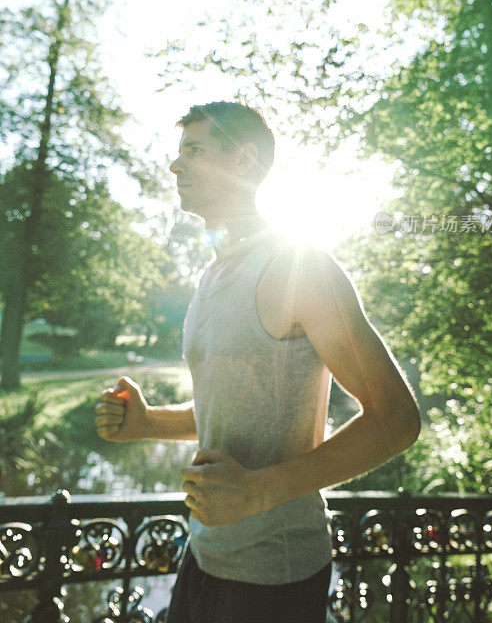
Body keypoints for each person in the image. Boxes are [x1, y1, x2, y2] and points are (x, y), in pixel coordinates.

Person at [94, 101, 421, 623]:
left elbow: (397, 419)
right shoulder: (211, 277)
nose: (175, 166)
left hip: (277, 577)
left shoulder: (300, 266)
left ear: (244, 163)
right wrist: (148, 422)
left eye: (194, 151)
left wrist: (258, 491)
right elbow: (233, 405)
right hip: (203, 556)